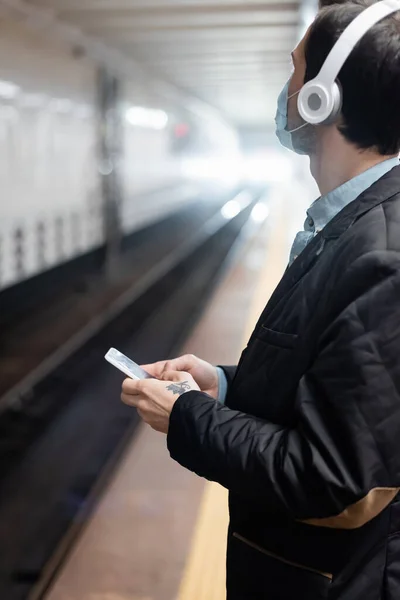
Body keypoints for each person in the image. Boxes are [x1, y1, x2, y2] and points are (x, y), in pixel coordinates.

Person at [120, 1, 400, 598]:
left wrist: (187, 418)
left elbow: (335, 477)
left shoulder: (382, 254)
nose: (287, 89)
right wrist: (224, 387)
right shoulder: (354, 226)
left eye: (294, 69)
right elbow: (335, 386)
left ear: (323, 97)